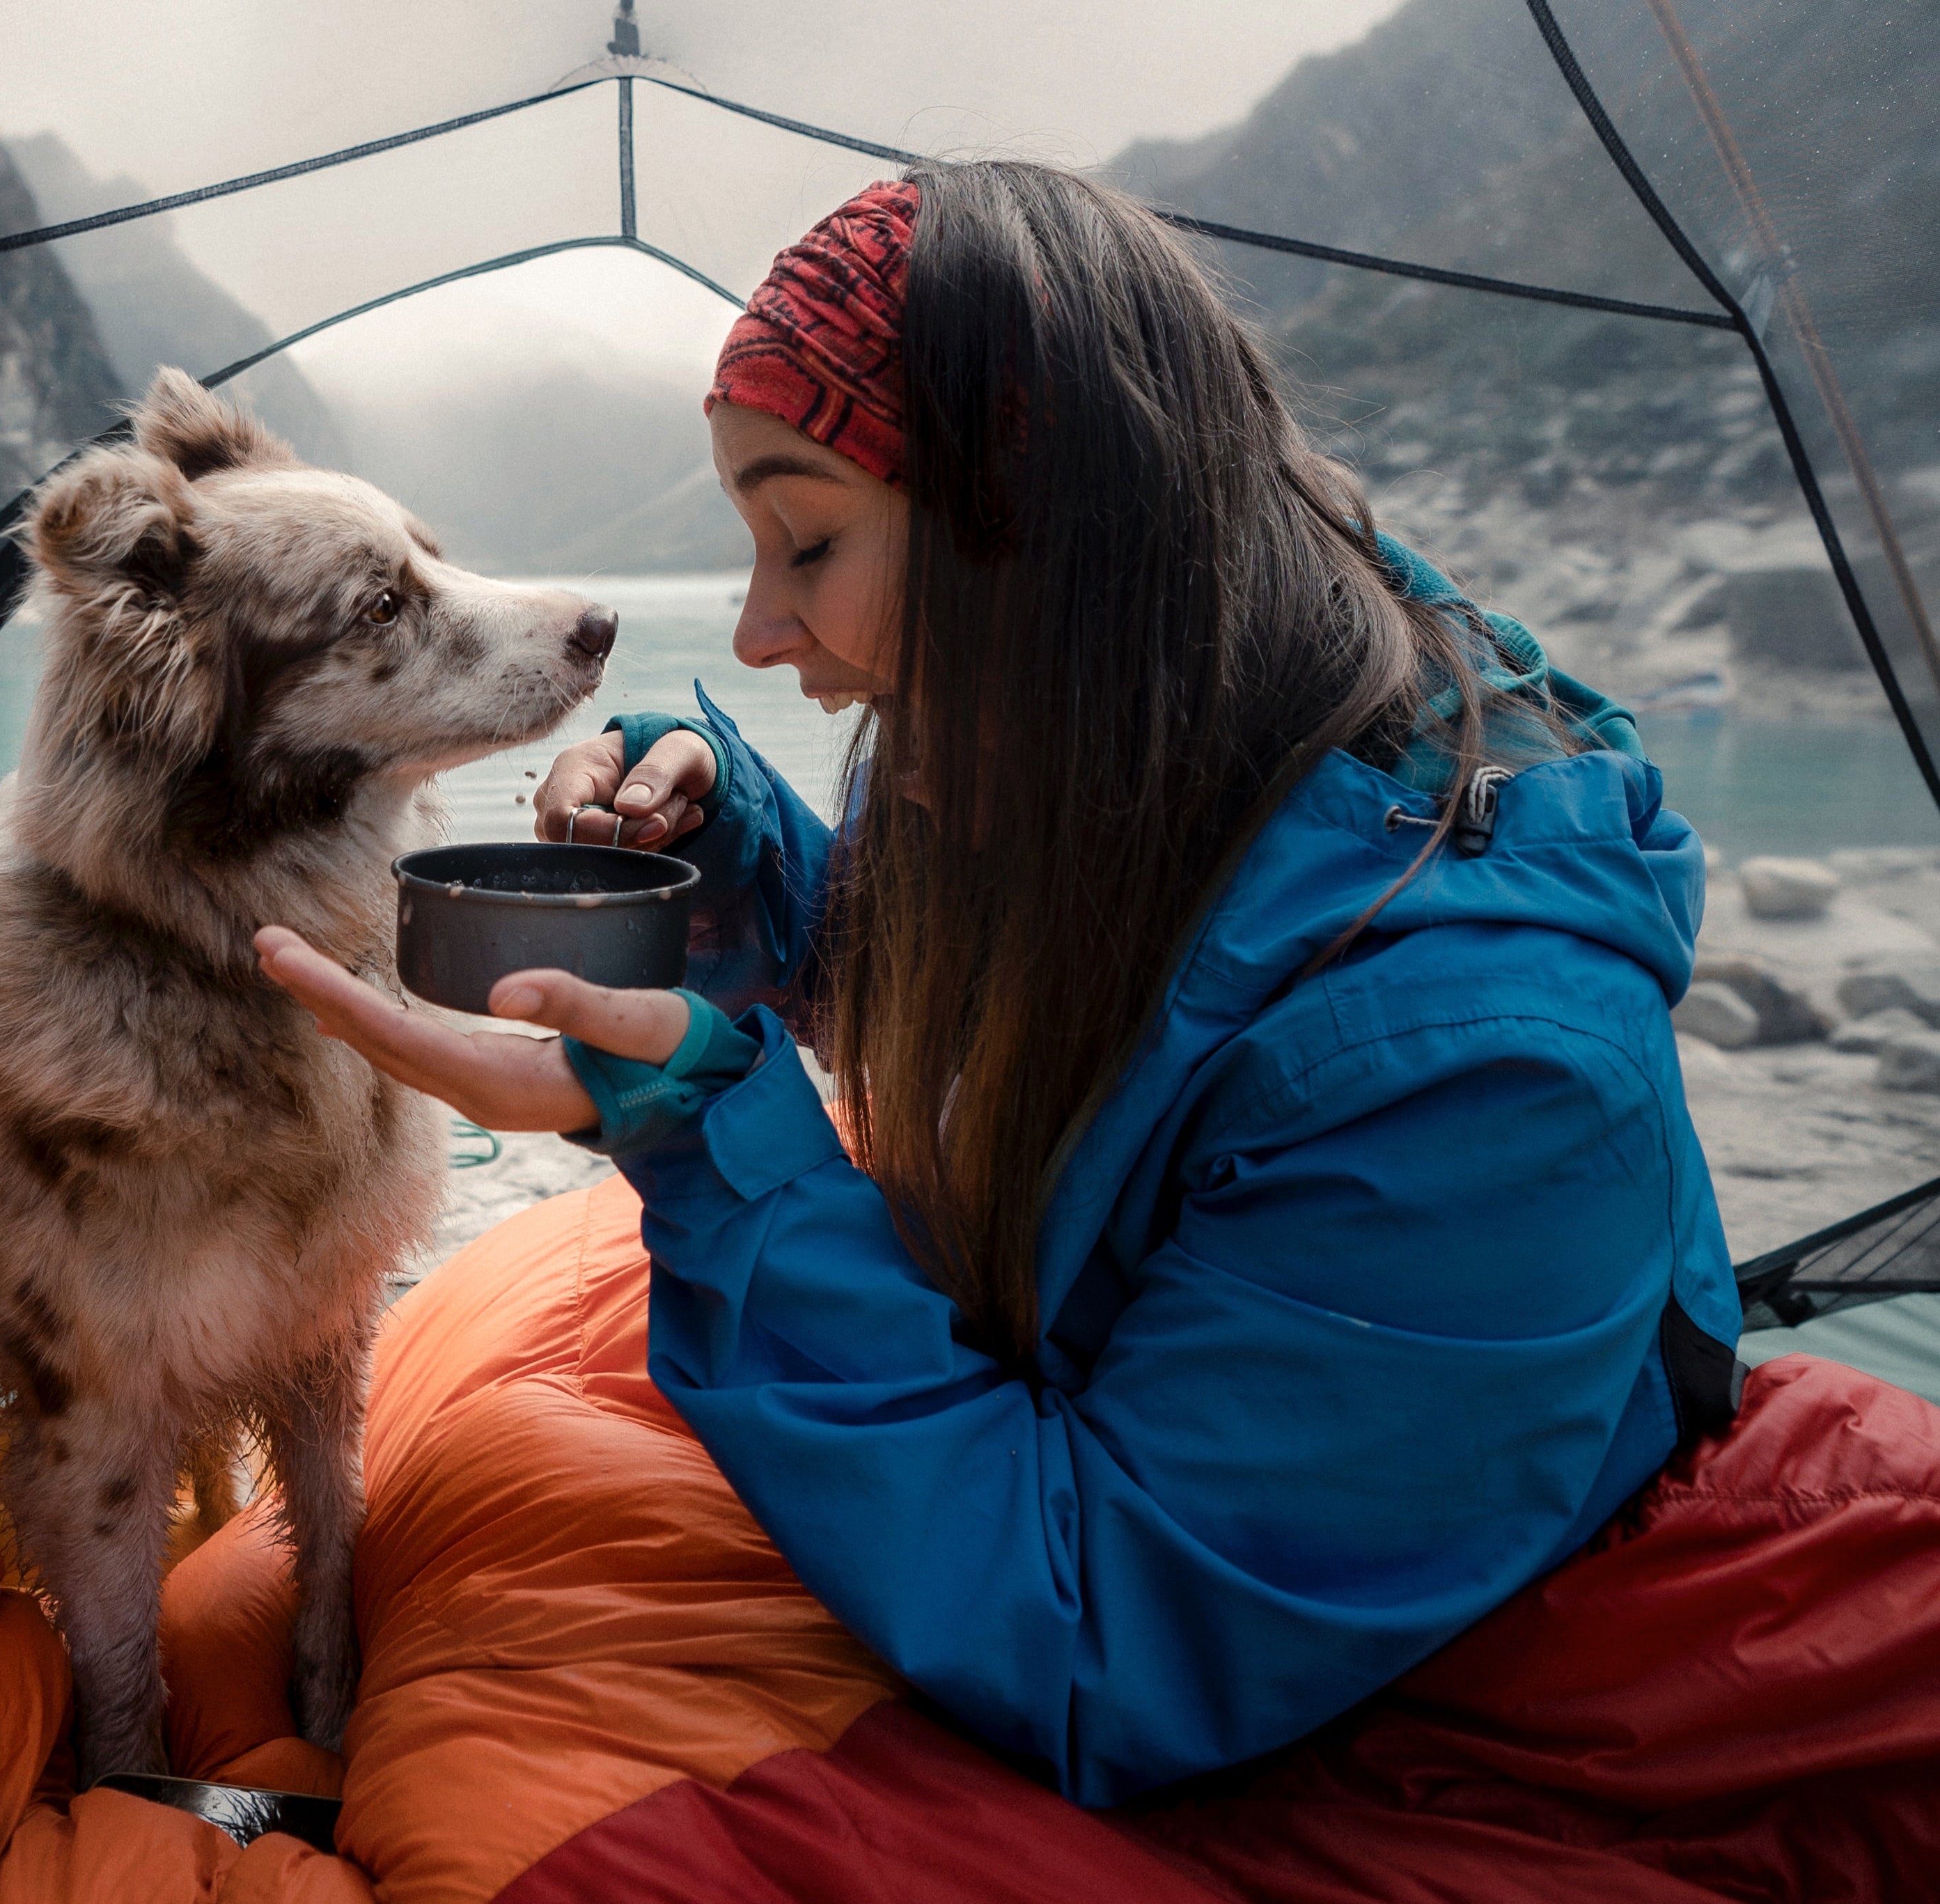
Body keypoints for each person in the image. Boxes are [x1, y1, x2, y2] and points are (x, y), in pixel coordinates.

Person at [254, 161, 1742, 1807]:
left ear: (1039, 532)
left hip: (1269, 1649)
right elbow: (992, 1009)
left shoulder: (1473, 1072)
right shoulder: (1090, 722)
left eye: (805, 537)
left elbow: (1108, 1636)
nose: (755, 631)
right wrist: (734, 841)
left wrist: (694, 1131)